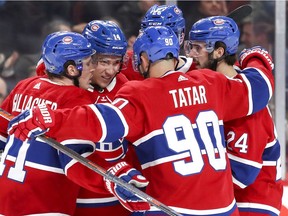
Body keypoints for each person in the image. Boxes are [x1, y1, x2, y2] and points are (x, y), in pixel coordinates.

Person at [8, 25, 275, 216]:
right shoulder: (211, 83)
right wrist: (256, 59)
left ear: (144, 59)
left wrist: (52, 118)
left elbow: (100, 121)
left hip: (167, 207)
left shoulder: (142, 93)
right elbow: (259, 89)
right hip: (224, 209)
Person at [0, 31, 149, 215]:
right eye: (88, 64)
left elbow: (1, 135)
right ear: (72, 70)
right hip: (44, 203)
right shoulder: (77, 99)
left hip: (6, 197)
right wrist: (113, 178)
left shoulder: (25, 86)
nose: (92, 69)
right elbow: (75, 162)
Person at [185, 16, 283, 215]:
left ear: (219, 52)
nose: (192, 55)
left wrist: (187, 185)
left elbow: (242, 174)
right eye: (191, 47)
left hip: (253, 204)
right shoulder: (224, 88)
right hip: (229, 202)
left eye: (198, 48)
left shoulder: (248, 105)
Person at [74, 19, 132, 216]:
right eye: (104, 62)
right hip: (78, 196)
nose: (111, 71)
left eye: (116, 62)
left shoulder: (125, 85)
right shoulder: (69, 87)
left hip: (122, 196)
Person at [122, 4, 195, 81]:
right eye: (149, 35)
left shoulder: (196, 68)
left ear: (181, 35)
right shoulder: (127, 62)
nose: (156, 41)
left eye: (163, 34)